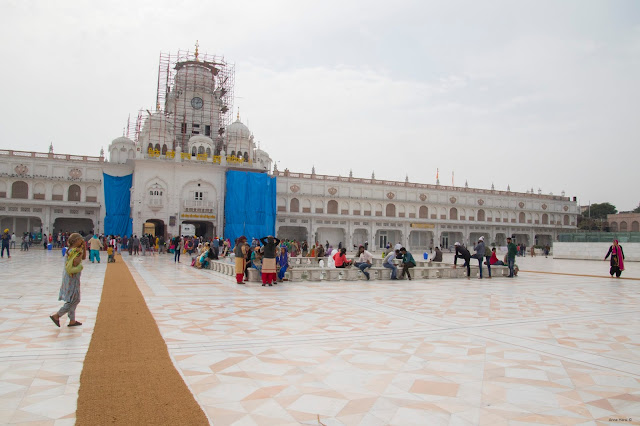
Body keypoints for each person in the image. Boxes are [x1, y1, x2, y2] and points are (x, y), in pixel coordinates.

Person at [50, 233, 86, 327]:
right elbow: (76, 262)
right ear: (76, 241)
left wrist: (83, 248)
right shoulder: (75, 251)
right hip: (72, 278)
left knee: (73, 298)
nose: (81, 241)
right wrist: (81, 251)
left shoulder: (70, 250)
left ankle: (72, 320)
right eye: (80, 240)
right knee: (75, 299)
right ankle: (57, 315)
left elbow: (83, 258)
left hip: (70, 277)